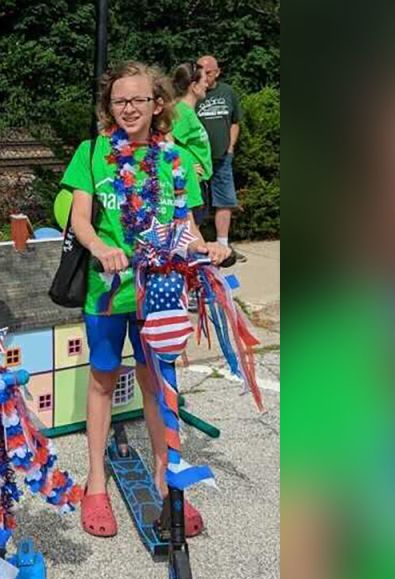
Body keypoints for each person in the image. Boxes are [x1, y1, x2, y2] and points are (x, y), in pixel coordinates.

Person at [62, 61, 230, 538]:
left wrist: (207, 247)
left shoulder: (174, 158)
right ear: (108, 106)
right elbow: (81, 222)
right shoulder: (92, 153)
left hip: (159, 289)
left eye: (138, 100)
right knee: (102, 378)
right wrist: (101, 248)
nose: (129, 108)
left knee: (157, 381)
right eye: (120, 101)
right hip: (109, 291)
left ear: (157, 104)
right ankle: (96, 480)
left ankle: (165, 478)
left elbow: (187, 226)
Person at [195, 55, 242, 246]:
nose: (204, 76)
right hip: (198, 158)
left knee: (225, 200)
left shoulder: (227, 92)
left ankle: (223, 245)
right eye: (201, 72)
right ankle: (195, 245)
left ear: (217, 72)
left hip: (222, 156)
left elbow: (235, 122)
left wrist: (230, 146)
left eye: (208, 72)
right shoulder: (195, 92)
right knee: (195, 201)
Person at [170, 63, 213, 183]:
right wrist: (184, 165)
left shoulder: (188, 111)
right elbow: (166, 142)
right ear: (194, 86)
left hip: (198, 181)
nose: (207, 84)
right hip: (191, 182)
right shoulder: (182, 113)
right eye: (204, 81)